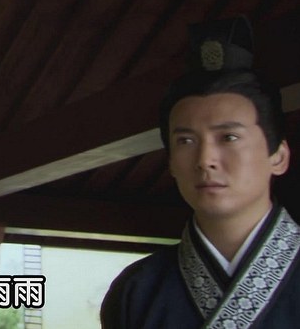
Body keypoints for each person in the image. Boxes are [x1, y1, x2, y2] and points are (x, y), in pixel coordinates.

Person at [100, 17, 299, 328]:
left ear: (279, 156)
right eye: (186, 141)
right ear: (170, 162)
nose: (205, 160)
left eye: (228, 137)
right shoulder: (137, 290)